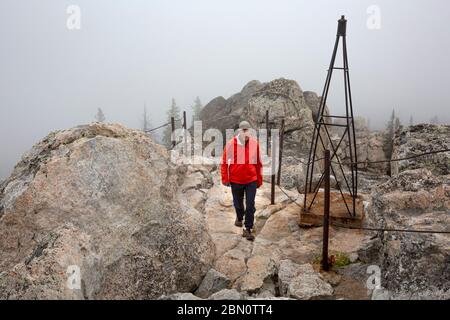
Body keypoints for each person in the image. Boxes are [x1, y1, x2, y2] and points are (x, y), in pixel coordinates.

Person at [221, 121, 263, 241]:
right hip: (236, 180)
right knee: (238, 204)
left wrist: (259, 180)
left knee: (250, 204)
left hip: (251, 179)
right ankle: (239, 217)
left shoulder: (255, 144)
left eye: (247, 130)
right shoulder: (230, 144)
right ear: (239, 131)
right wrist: (225, 178)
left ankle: (248, 229)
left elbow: (258, 163)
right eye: (243, 130)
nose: (245, 132)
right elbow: (224, 163)